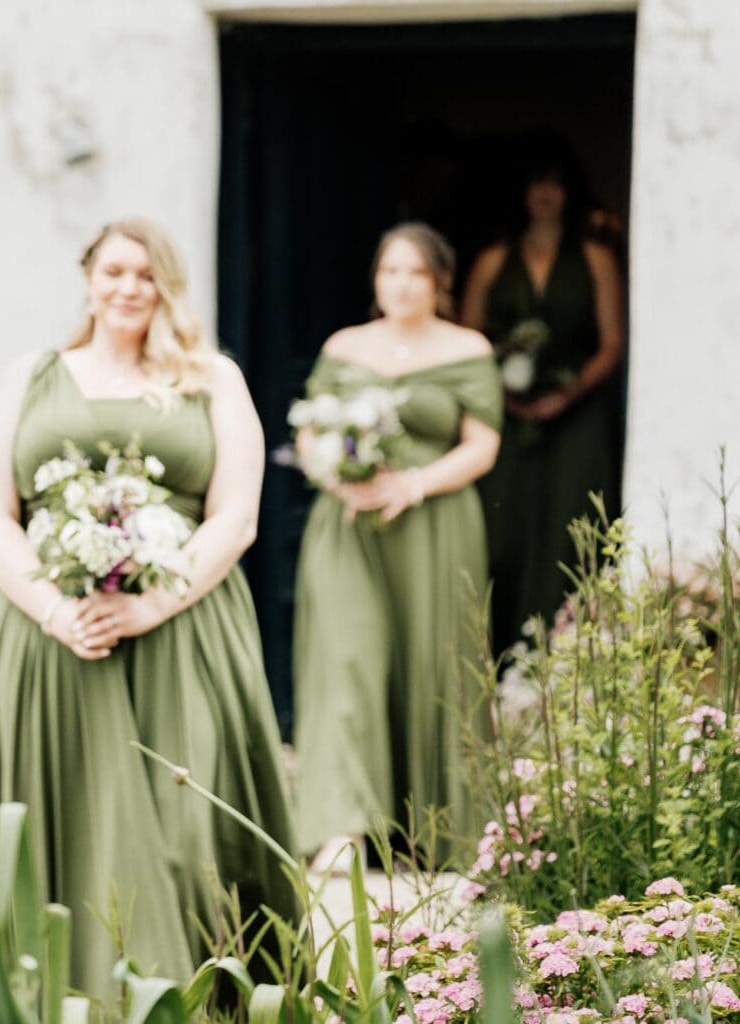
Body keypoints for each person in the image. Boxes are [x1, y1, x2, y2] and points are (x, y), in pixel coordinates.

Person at [0, 217, 296, 996]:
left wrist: (151, 605)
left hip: (181, 633)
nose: (128, 288)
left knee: (185, 832)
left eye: (147, 275)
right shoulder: (33, 373)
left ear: (168, 288)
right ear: (89, 276)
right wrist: (54, 609)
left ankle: (189, 998)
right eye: (115, 271)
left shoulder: (212, 378)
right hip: (52, 640)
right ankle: (66, 998)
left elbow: (237, 516)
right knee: (73, 825)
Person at [292, 223, 502, 873]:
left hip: (435, 526)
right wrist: (335, 476)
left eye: (415, 273)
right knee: (347, 657)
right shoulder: (344, 347)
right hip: (350, 527)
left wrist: (414, 483)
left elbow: (482, 444)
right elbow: (308, 431)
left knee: (434, 661)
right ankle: (343, 826)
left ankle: (441, 829)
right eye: (389, 272)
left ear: (440, 280)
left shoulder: (467, 349)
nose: (401, 284)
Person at [461, 148, 625, 647]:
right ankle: (501, 652)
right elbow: (466, 343)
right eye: (536, 183)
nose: (545, 194)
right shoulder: (493, 261)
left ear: (569, 193)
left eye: (555, 183)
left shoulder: (595, 259)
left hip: (577, 418)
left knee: (570, 530)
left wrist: (564, 395)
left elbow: (611, 344)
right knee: (502, 531)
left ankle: (569, 655)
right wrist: (501, 392)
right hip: (506, 418)